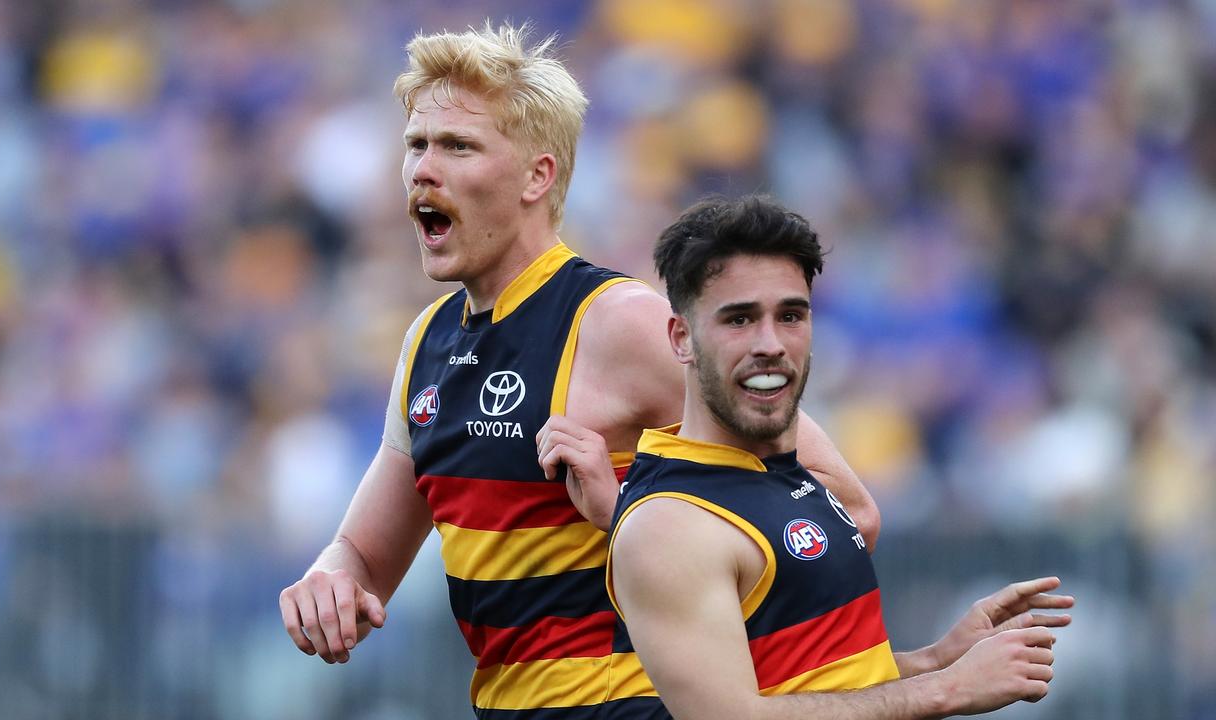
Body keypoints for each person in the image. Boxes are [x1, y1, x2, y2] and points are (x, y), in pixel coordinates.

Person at [278, 23, 879, 718]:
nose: (422, 170)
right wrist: (330, 578)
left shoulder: (618, 321)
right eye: (416, 145)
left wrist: (627, 512)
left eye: (458, 146)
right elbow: (363, 555)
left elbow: (844, 514)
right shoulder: (428, 343)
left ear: (539, 175)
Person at [594, 195, 1074, 719]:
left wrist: (939, 658)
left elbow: (822, 679)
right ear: (681, 339)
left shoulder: (787, 471)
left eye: (791, 315)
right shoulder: (669, 522)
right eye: (739, 319)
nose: (771, 343)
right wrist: (946, 690)